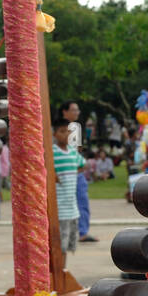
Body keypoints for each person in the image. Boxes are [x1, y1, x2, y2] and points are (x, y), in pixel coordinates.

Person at [59, 100, 95, 242]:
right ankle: (74, 232)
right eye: (74, 110)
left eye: (77, 110)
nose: (76, 113)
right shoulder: (60, 128)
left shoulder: (76, 127)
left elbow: (77, 149)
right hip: (67, 170)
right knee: (70, 201)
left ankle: (81, 231)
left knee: (80, 200)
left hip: (74, 169)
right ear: (65, 112)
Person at [52, 117, 84, 256]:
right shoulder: (52, 152)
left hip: (72, 207)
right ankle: (60, 273)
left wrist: (72, 175)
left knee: (69, 243)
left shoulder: (72, 151)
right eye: (62, 131)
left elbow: (82, 164)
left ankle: (63, 271)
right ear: (55, 134)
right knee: (60, 246)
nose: (66, 134)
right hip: (59, 208)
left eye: (68, 131)